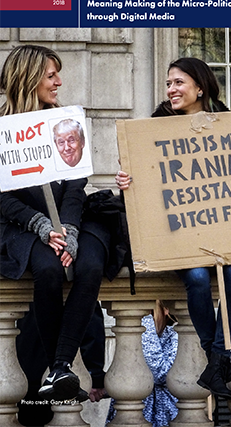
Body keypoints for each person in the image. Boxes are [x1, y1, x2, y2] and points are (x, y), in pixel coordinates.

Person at [116, 57, 231, 399]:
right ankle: (217, 356)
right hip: (182, 235)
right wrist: (127, 180)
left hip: (227, 231)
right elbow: (148, 185)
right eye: (168, 84)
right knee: (196, 278)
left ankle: (218, 356)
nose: (171, 90)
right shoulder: (156, 127)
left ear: (200, 87)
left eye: (178, 82)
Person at [0, 45, 128, 403]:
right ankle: (58, 367)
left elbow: (75, 185)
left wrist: (68, 229)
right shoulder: (1, 128)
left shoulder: (66, 120)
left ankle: (59, 366)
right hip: (21, 225)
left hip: (73, 219)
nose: (59, 82)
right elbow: (3, 197)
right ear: (28, 77)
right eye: (51, 74)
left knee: (89, 265)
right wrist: (42, 226)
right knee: (49, 271)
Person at [106, 300, 178, 427]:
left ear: (166, 309)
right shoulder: (130, 335)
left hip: (166, 416)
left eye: (149, 312)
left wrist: (142, 320)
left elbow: (159, 373)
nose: (146, 317)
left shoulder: (174, 335)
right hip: (132, 415)